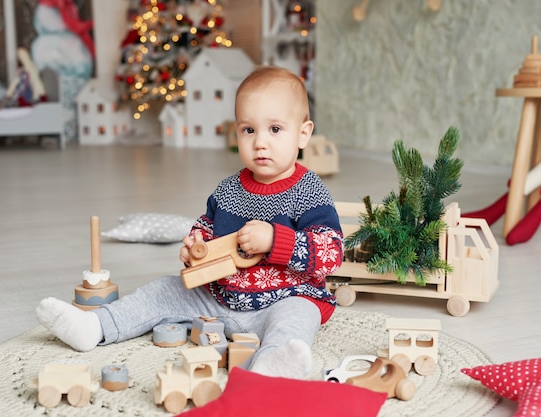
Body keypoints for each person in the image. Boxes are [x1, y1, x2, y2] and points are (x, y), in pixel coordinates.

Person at [36, 66, 343, 379]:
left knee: (300, 317)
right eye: (249, 130)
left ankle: (274, 365)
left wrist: (275, 240)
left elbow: (332, 253)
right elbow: (206, 228)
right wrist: (195, 247)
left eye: (275, 130)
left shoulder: (308, 190)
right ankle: (96, 326)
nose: (260, 142)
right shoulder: (228, 189)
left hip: (284, 299)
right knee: (163, 290)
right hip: (220, 299)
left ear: (303, 133)